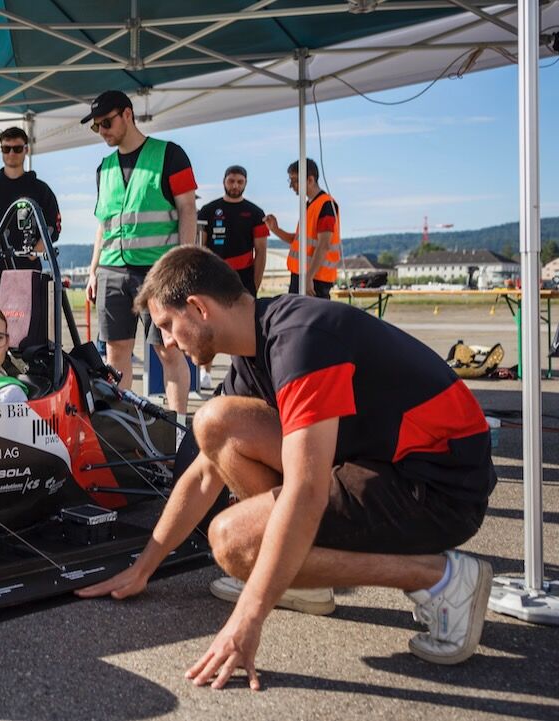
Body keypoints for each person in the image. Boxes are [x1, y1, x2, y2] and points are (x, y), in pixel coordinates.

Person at [79, 246, 497, 686]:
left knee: (234, 543)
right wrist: (144, 567)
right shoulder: (256, 345)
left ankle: (440, 578)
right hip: (384, 465)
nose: (166, 341)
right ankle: (300, 579)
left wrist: (247, 619)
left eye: (167, 325)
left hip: (440, 490)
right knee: (216, 422)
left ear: (199, 308)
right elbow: (204, 472)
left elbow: (306, 491)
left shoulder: (302, 341)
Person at [82, 90, 196, 415]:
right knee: (115, 353)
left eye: (106, 123)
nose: (101, 131)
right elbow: (104, 224)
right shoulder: (103, 168)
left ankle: (178, 430)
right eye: (96, 126)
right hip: (111, 270)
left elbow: (188, 209)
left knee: (168, 351)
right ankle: (123, 427)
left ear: (127, 115)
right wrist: (93, 271)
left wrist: (182, 266)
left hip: (158, 272)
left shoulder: (170, 155)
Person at [196, 164, 268, 389]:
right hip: (213, 277)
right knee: (208, 323)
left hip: (243, 279)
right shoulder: (208, 210)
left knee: (244, 328)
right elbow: (200, 247)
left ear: (245, 183)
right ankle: (205, 372)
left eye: (239, 182)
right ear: (224, 181)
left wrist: (255, 283)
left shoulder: (255, 213)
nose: (235, 185)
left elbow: (261, 251)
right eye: (231, 181)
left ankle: (243, 377)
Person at [0, 127, 61, 277]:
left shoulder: (41, 189)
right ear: (1, 150)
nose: (11, 153)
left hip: (29, 272)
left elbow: (53, 226)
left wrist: (34, 253)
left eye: (17, 149)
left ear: (26, 150)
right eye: (6, 149)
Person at [264, 158, 340, 299]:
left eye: (294, 180)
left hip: (315, 278)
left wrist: (309, 277)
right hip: (303, 275)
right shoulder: (309, 205)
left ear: (310, 180)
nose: (291, 185)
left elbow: (324, 244)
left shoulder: (326, 204)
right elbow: (299, 240)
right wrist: (275, 229)